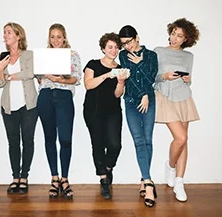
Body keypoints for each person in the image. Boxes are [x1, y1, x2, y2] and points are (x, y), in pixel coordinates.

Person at [154, 18, 200, 202]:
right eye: (173, 33)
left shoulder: (189, 57)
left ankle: (179, 182)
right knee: (180, 138)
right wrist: (164, 75)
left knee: (184, 140)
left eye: (179, 36)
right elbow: (153, 77)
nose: (174, 38)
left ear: (186, 39)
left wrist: (188, 80)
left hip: (183, 97)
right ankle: (170, 167)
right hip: (165, 96)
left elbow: (190, 78)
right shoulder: (159, 51)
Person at [37, 23, 81, 199]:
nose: (55, 40)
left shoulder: (72, 55)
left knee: (65, 139)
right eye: (52, 36)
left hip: (64, 96)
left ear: (64, 38)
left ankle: (65, 178)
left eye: (59, 36)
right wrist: (45, 76)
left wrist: (61, 78)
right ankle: (54, 178)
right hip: (46, 96)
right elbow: (39, 80)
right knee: (49, 138)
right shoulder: (42, 55)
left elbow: (76, 79)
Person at [0, 23, 38, 194]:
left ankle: (24, 177)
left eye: (9, 32)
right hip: (8, 106)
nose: (5, 35)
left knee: (28, 141)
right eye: (4, 32)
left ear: (18, 36)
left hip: (28, 106)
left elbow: (29, 73)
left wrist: (8, 76)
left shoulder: (28, 55)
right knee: (13, 142)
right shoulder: (1, 58)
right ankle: (15, 177)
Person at [83, 33, 128, 199]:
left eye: (116, 47)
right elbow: (88, 85)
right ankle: (103, 180)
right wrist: (107, 75)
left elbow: (118, 94)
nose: (114, 50)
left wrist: (121, 82)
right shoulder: (93, 64)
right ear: (103, 48)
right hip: (93, 111)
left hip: (113, 111)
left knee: (115, 145)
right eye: (110, 47)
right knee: (98, 144)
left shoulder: (121, 68)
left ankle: (108, 167)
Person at [118, 25, 158, 207]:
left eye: (129, 42)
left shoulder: (151, 55)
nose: (127, 46)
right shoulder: (122, 56)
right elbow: (129, 78)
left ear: (137, 38)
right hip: (132, 102)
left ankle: (144, 179)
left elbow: (152, 77)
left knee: (148, 140)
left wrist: (139, 63)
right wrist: (142, 94)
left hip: (149, 101)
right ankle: (149, 183)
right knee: (138, 141)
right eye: (123, 44)